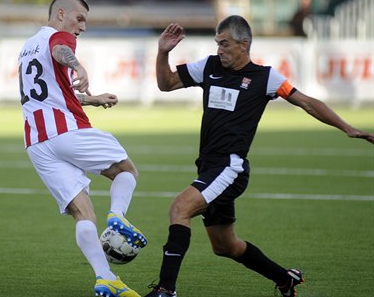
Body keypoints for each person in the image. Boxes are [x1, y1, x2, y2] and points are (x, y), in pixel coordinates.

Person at [144, 16, 374, 297]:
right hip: (209, 167)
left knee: (179, 209)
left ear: (244, 44)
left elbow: (307, 103)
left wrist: (347, 128)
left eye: (225, 44)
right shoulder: (208, 66)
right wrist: (163, 52)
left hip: (230, 167)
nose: (220, 50)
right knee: (225, 246)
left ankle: (166, 290)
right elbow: (166, 84)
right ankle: (284, 279)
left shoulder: (265, 78)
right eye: (218, 44)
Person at [18, 0, 147, 297]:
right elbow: (62, 48)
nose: (83, 27)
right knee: (126, 171)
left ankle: (106, 278)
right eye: (80, 18)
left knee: (82, 212)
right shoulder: (59, 36)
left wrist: (92, 98)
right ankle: (117, 216)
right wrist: (81, 67)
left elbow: (49, 93)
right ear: (61, 14)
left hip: (37, 141)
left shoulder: (26, 47)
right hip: (67, 132)